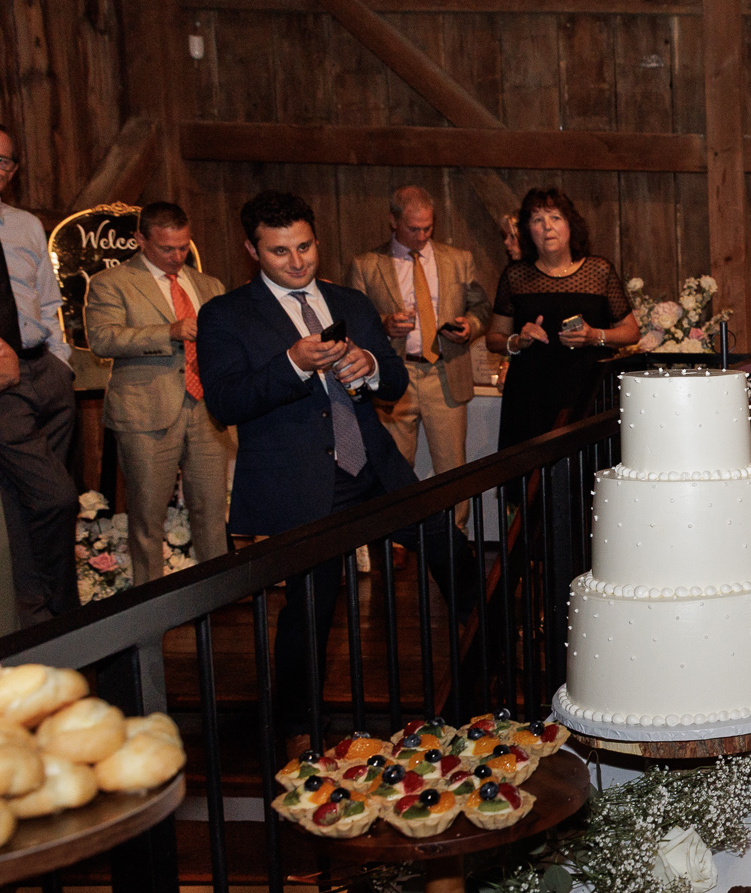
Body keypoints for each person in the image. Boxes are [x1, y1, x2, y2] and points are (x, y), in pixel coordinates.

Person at [199, 191, 465, 751]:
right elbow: (225, 403)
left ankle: (486, 676)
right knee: (310, 606)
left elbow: (393, 381)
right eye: (279, 253)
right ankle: (298, 727)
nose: (297, 262)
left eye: (305, 247)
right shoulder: (226, 314)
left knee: (451, 552)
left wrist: (370, 367)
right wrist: (292, 364)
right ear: (253, 251)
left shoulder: (350, 300)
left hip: (374, 465)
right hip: (298, 477)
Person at [83, 202, 230, 585]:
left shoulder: (209, 285)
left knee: (212, 512)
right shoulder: (111, 283)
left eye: (183, 246)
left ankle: (217, 593)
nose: (177, 256)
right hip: (146, 412)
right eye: (167, 248)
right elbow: (102, 338)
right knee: (147, 516)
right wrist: (168, 331)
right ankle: (149, 604)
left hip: (206, 409)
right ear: (140, 240)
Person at [347, 187, 492, 506]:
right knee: (394, 469)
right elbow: (353, 324)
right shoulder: (367, 264)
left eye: (429, 227)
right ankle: (398, 548)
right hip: (394, 375)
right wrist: (384, 324)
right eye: (414, 229)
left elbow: (481, 308)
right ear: (393, 221)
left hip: (445, 372)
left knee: (453, 470)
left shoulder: (458, 260)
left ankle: (455, 544)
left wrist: (469, 326)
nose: (423, 235)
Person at [485, 189, 639, 449]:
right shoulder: (515, 276)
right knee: (533, 476)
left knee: (586, 471)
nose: (547, 227)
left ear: (570, 225)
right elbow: (493, 339)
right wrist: (517, 341)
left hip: (587, 392)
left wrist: (595, 336)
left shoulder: (599, 271)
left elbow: (631, 332)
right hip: (530, 395)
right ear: (527, 230)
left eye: (555, 218)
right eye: (537, 220)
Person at [0, 125, 80, 624]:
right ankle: (59, 607)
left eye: (6, 161)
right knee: (57, 498)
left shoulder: (26, 225)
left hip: (46, 372)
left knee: (23, 499)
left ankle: (34, 613)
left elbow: (50, 301)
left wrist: (62, 363)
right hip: (4, 388)